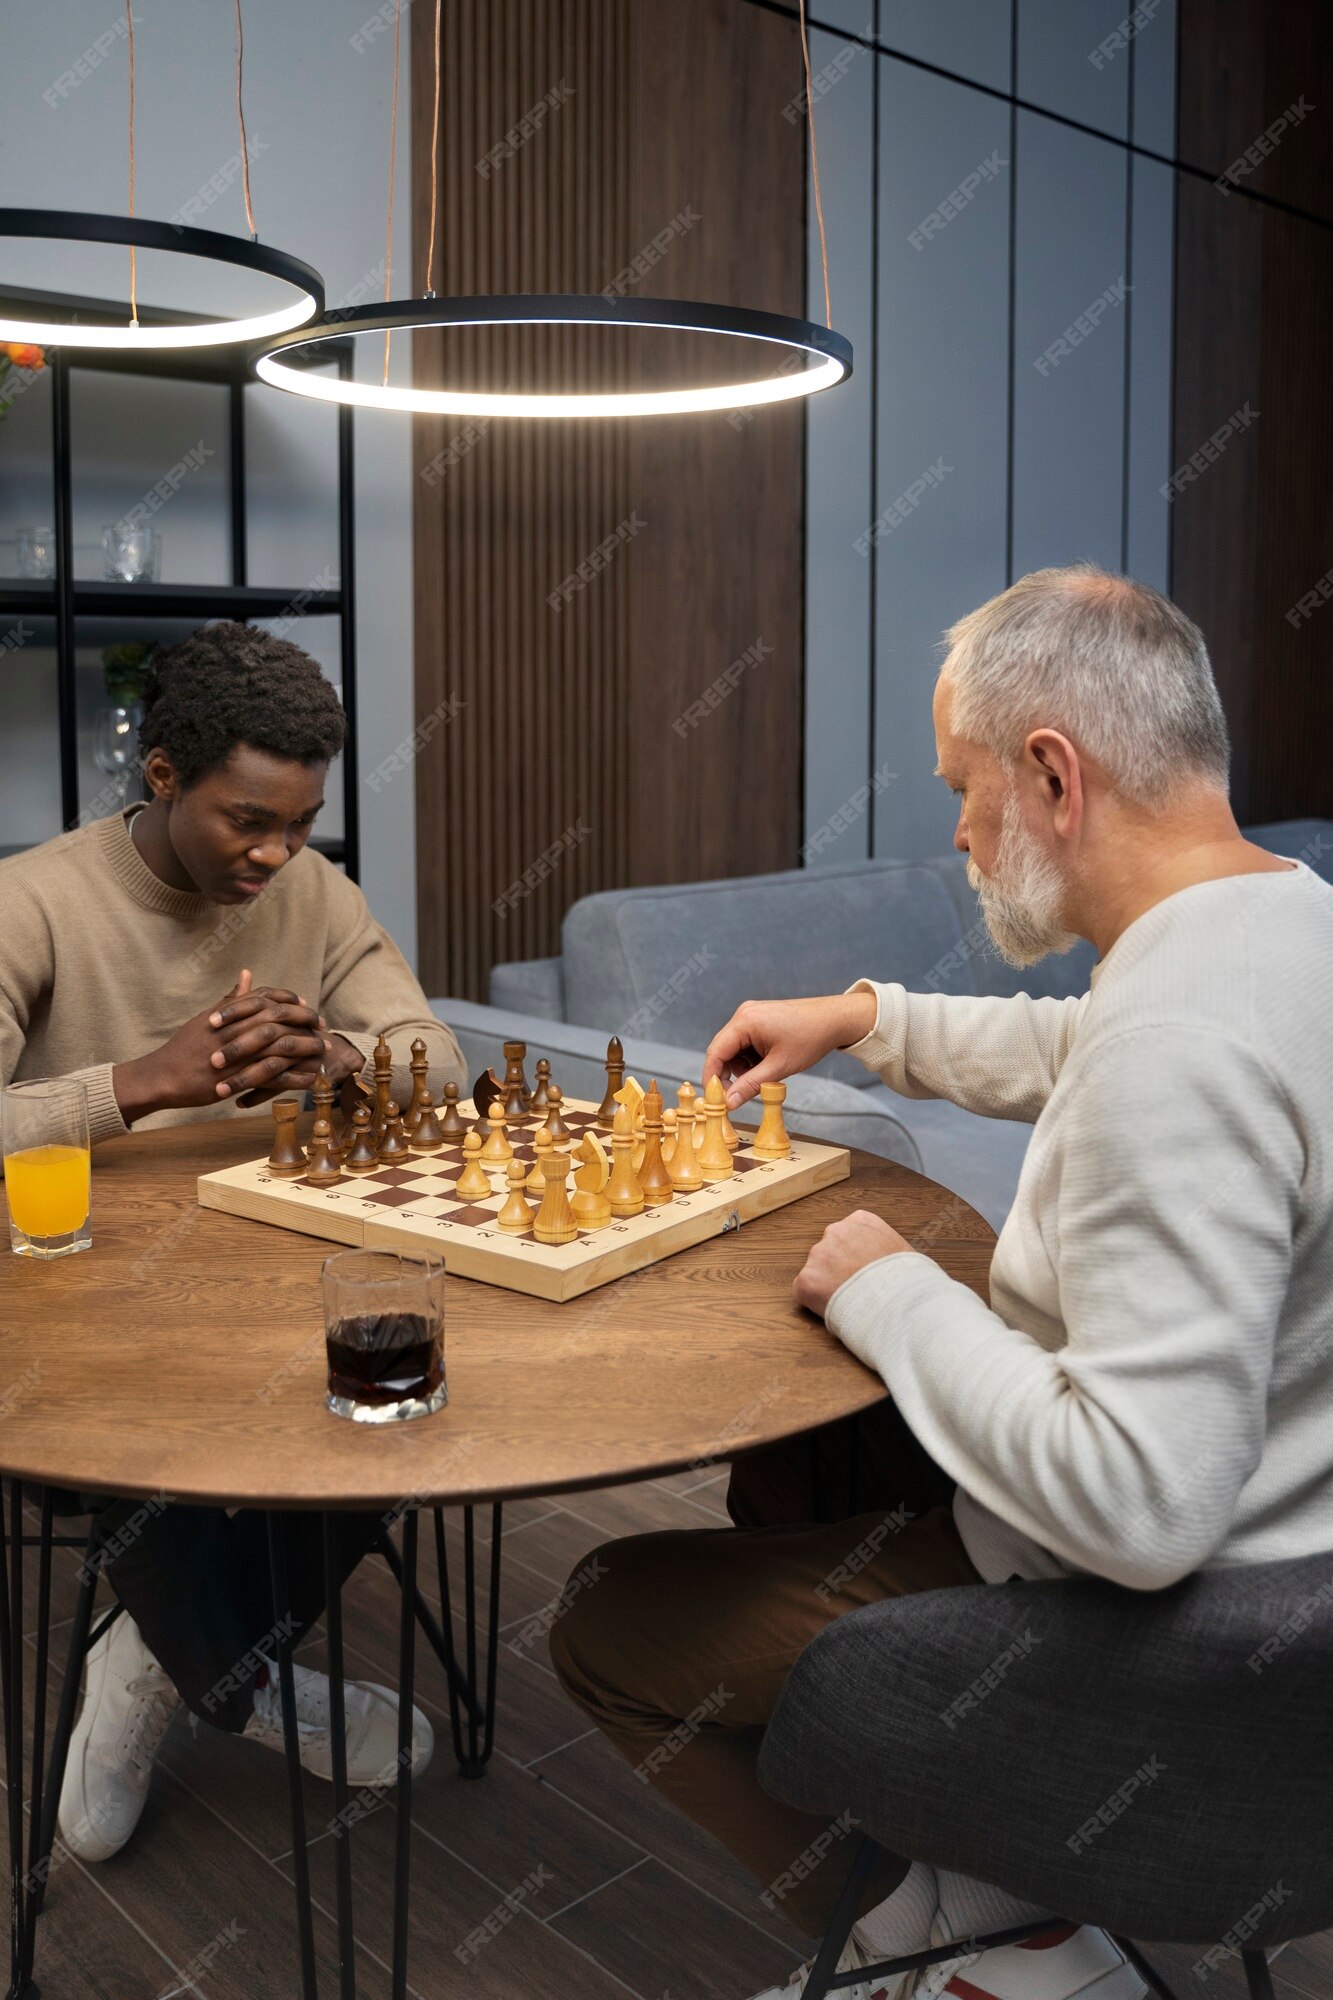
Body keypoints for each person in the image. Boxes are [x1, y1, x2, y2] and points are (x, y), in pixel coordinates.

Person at [548, 565, 1333, 2000]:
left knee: (608, 1618)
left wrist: (896, 1287)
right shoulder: (1284, 924)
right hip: (1296, 1549)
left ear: (1052, 774)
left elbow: (1140, 1508)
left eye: (962, 790)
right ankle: (970, 1874)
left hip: (1157, 1625)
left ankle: (956, 1937)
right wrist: (865, 1019)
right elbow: (1086, 1053)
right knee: (805, 1466)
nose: (962, 835)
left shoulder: (1176, 1050)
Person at [0, 622, 468, 1863]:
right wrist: (142, 1082)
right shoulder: (32, 900)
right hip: (74, 1306)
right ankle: (240, 1686)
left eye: (301, 821)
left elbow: (445, 1065)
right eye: (246, 820)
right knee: (165, 1426)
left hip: (268, 1280)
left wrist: (345, 1058)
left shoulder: (314, 894)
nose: (277, 853)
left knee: (402, 1396)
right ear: (162, 776)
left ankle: (150, 1659)